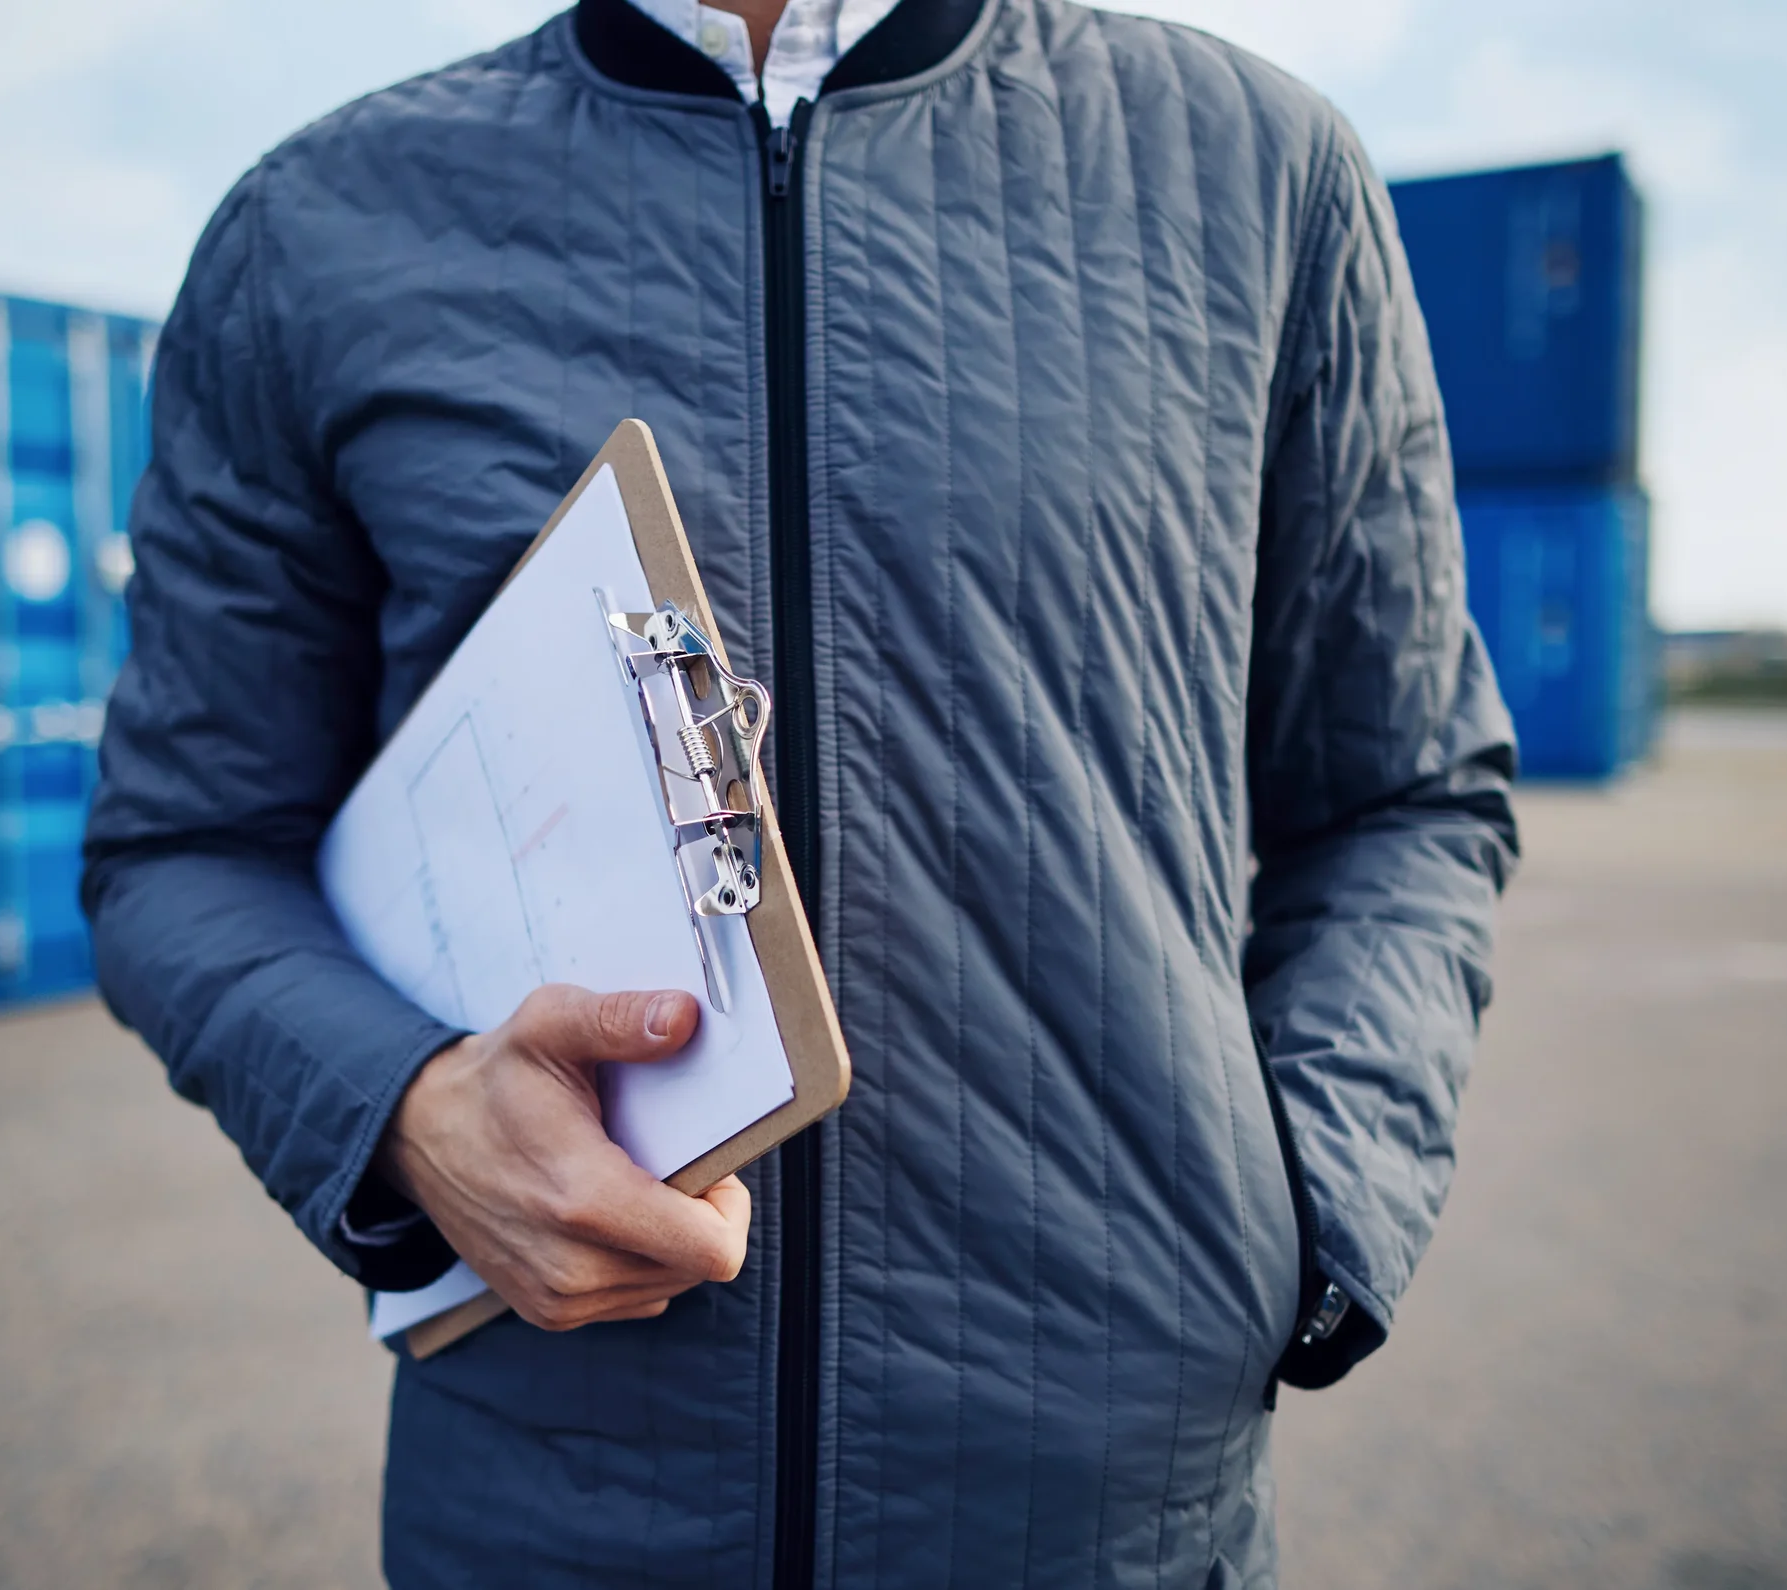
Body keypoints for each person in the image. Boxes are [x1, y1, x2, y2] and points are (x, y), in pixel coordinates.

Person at [82, 0, 1519, 1583]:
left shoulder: (1261, 176)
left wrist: (1300, 1222)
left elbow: (1408, 791)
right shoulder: (316, 232)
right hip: (554, 1505)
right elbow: (186, 844)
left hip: (1106, 1515)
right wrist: (406, 1111)